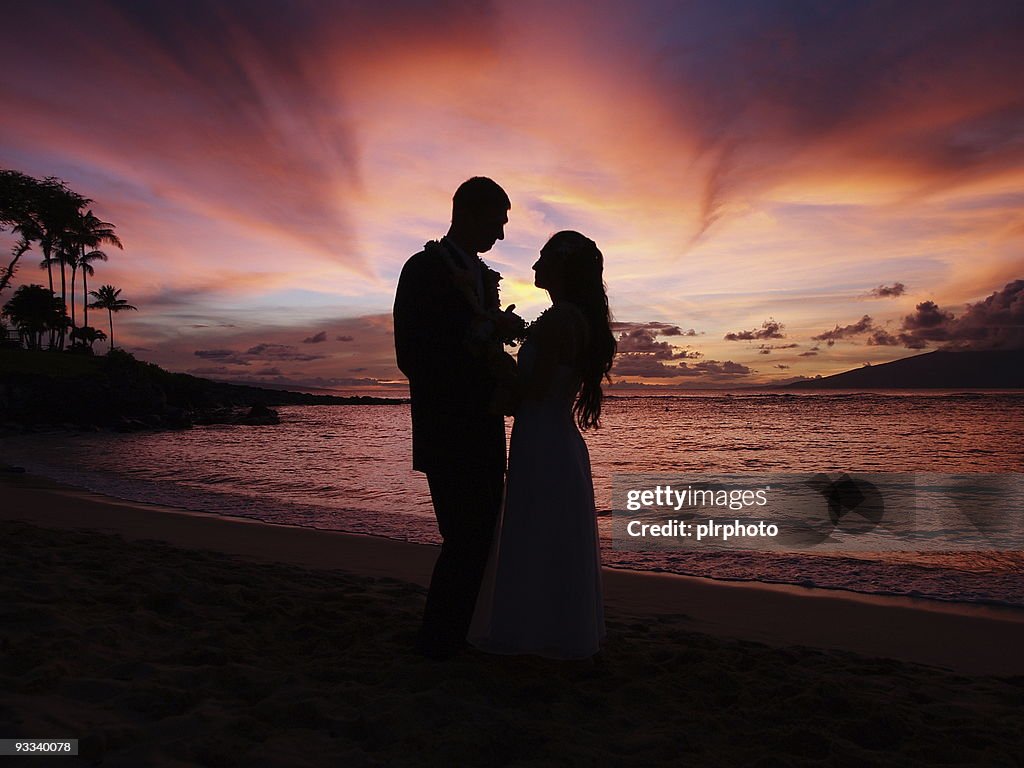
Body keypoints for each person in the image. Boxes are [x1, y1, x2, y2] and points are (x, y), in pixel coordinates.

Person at [469, 230, 616, 659]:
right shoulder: (572, 318)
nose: (534, 267)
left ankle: (533, 632)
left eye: (541, 259)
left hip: (544, 442)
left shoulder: (559, 320)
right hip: (553, 439)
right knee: (549, 536)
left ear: (561, 266)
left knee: (538, 532)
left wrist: (492, 356)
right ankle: (553, 629)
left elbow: (531, 390)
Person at [393, 177, 523, 660]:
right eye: (497, 222)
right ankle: (439, 642)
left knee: (482, 535)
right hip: (447, 427)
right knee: (464, 536)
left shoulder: (484, 277)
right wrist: (475, 345)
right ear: (468, 213)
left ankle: (459, 634)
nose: (502, 236)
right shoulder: (424, 268)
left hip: (485, 427)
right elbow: (412, 354)